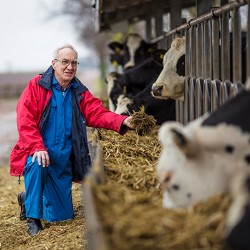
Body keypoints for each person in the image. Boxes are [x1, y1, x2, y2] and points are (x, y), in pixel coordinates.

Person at [10, 44, 134, 236]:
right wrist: (37, 147)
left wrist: (122, 120)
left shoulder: (79, 91)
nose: (70, 67)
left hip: (63, 161)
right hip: (40, 153)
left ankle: (27, 199)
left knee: (63, 217)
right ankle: (33, 218)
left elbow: (97, 113)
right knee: (37, 163)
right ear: (54, 64)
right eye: (65, 62)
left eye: (74, 63)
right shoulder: (37, 86)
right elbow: (24, 119)